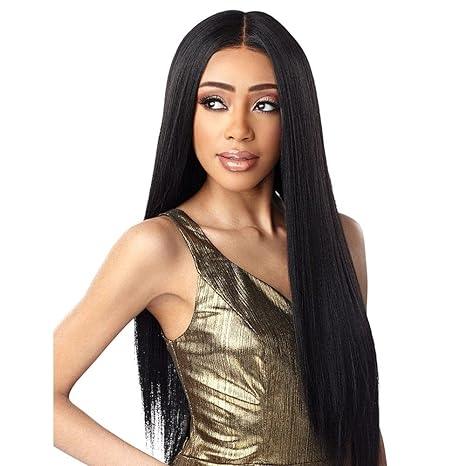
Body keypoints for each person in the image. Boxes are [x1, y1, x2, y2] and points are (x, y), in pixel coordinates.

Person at [54, 9, 387, 466]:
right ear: (184, 111)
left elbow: (357, 417)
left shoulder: (341, 240)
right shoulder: (161, 247)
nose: (239, 129)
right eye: (214, 102)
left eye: (265, 105)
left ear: (296, 116)